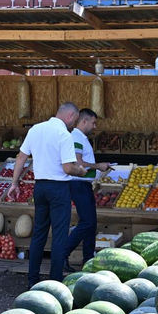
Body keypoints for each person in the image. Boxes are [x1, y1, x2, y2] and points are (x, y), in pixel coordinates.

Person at [8, 102, 87, 287]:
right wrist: (81, 171)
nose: (73, 125)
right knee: (59, 237)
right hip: (59, 189)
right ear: (69, 116)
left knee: (39, 235)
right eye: (74, 120)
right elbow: (68, 167)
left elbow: (21, 157)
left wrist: (14, 183)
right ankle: (54, 283)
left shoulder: (36, 129)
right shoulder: (64, 135)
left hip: (40, 187)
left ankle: (32, 280)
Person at [65, 108, 110, 270]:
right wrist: (99, 166)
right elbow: (78, 162)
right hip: (77, 183)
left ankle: (88, 260)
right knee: (86, 222)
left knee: (91, 223)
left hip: (83, 184)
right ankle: (64, 253)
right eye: (93, 122)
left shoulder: (80, 138)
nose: (95, 126)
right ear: (83, 121)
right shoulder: (76, 137)